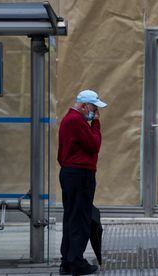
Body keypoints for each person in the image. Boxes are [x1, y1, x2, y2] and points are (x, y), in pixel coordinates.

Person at [57, 89, 107, 275]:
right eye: (94, 107)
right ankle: (76, 261)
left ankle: (67, 261)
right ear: (84, 105)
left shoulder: (69, 120)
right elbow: (94, 145)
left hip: (70, 173)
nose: (95, 112)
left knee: (71, 217)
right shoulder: (77, 121)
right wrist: (96, 124)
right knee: (80, 218)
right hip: (80, 174)